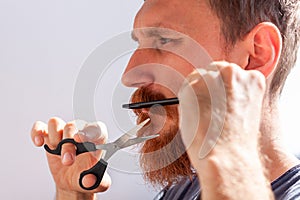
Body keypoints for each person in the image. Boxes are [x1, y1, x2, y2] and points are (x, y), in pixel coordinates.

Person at [31, 0, 300, 199]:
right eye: (139, 43)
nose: (128, 76)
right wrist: (72, 194)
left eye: (164, 40)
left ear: (257, 54)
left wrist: (228, 165)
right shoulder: (185, 190)